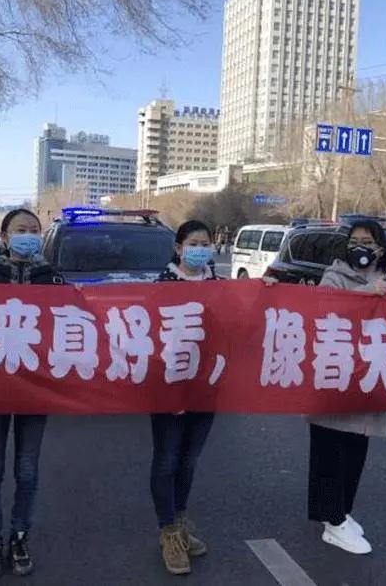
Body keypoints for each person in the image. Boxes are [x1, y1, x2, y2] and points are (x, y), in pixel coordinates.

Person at [0, 208, 65, 580]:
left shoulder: (53, 279)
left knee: (27, 470)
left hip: (36, 388)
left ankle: (20, 536)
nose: (28, 236)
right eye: (20, 230)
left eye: (34, 230)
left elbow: (71, 326)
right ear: (5, 237)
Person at [309, 220, 386, 555]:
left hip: (368, 379)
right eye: (354, 240)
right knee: (329, 452)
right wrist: (365, 295)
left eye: (368, 241)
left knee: (355, 452)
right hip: (336, 376)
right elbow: (325, 309)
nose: (360, 247)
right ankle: (332, 521)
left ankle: (341, 512)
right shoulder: (334, 276)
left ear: (380, 248)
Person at [152, 220, 219, 575]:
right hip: (169, 388)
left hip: (206, 388)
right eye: (193, 243)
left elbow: (241, 325)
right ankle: (168, 534)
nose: (199, 249)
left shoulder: (220, 287)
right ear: (179, 248)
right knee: (167, 461)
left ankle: (179, 523)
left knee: (189, 461)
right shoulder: (162, 286)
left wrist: (265, 290)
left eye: (205, 243)